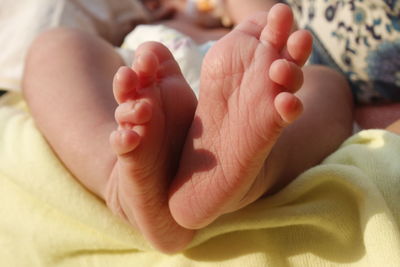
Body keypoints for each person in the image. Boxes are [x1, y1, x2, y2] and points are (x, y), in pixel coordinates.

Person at [22, 1, 385, 254]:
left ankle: (255, 169)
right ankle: (120, 177)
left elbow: (269, 21)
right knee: (57, 44)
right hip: (143, 89)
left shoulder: (227, 20)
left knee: (325, 82)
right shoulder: (129, 28)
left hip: (241, 90)